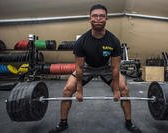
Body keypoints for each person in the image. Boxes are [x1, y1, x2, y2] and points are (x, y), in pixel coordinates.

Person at [49, 4, 141, 133]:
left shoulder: (113, 41)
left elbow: (115, 67)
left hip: (106, 68)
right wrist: (79, 90)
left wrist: (115, 90)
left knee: (124, 90)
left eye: (102, 16)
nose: (98, 19)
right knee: (67, 90)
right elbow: (80, 67)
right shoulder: (81, 41)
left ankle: (129, 122)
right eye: (95, 16)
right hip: (87, 68)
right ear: (90, 18)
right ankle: (63, 123)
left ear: (106, 19)